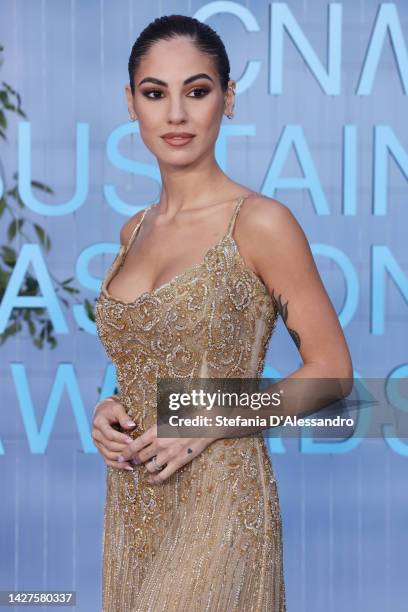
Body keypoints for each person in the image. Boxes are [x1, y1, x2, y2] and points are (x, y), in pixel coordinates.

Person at [92, 14, 353, 612]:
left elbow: (334, 372)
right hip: (133, 506)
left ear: (227, 99)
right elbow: (152, 355)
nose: (176, 114)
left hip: (221, 501)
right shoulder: (133, 231)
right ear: (131, 104)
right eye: (155, 93)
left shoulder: (261, 222)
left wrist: (206, 418)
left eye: (198, 90)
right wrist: (113, 407)